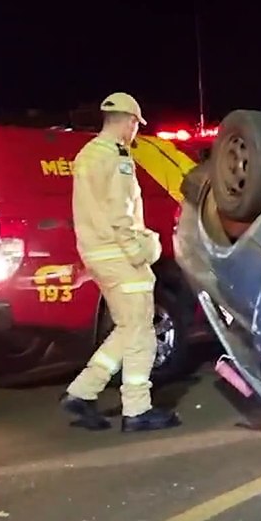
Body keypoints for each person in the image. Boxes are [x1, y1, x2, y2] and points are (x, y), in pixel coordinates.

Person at [61, 92, 181, 433]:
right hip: (120, 255)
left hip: (98, 254)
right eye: (135, 126)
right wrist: (138, 251)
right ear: (130, 122)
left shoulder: (87, 154)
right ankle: (137, 410)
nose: (135, 132)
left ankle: (83, 392)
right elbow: (121, 212)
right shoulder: (118, 156)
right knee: (142, 329)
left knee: (127, 326)